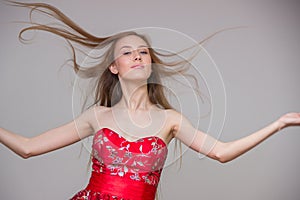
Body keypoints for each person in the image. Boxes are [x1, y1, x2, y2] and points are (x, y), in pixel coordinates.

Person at [1, 2, 300, 200]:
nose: (137, 56)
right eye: (128, 51)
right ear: (114, 67)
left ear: (151, 64)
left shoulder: (171, 120)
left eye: (143, 51)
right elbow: (28, 148)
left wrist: (280, 123)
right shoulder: (97, 115)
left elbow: (221, 152)